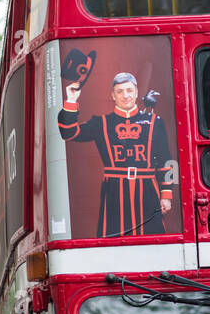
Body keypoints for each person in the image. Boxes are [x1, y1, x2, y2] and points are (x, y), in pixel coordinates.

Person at [59, 69, 174, 237]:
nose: (125, 95)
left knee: (152, 242)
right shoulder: (101, 123)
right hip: (115, 190)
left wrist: (166, 195)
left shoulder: (154, 122)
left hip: (148, 189)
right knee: (113, 241)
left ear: (136, 93)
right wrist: (71, 100)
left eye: (129, 90)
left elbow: (167, 161)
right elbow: (68, 133)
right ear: (113, 95)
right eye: (120, 91)